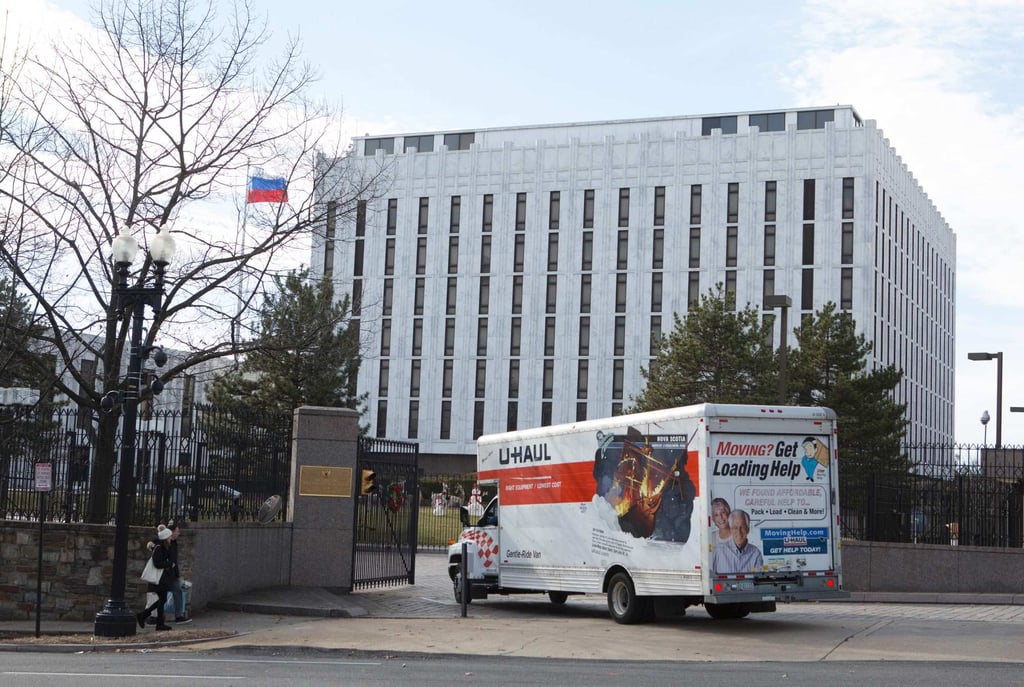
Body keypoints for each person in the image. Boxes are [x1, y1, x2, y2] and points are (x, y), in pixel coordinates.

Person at [136, 525, 174, 631]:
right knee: (162, 599)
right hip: (159, 579)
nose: (171, 538)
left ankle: (155, 621)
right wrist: (169, 564)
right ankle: (146, 616)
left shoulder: (163, 547)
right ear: (166, 538)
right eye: (169, 537)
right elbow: (157, 563)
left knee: (162, 600)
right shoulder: (159, 548)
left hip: (161, 578)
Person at [711, 509, 763, 573]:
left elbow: (757, 578)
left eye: (742, 527)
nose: (739, 532)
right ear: (730, 530)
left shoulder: (755, 553)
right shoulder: (719, 551)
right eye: (735, 527)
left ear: (748, 530)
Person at [165, 520, 191, 623]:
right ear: (171, 532)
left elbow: (174, 560)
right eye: (177, 531)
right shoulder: (165, 543)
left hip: (172, 574)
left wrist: (176, 574)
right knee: (162, 595)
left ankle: (179, 615)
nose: (179, 533)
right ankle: (153, 616)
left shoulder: (174, 543)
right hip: (165, 573)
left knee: (178, 592)